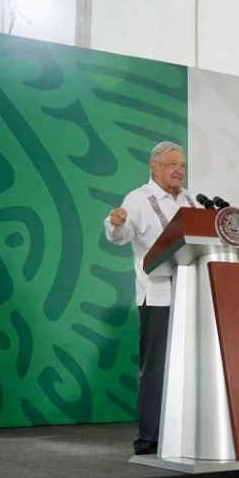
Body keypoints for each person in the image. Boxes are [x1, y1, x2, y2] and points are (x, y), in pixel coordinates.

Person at [104, 141, 193, 455]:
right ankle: (150, 437)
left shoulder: (190, 200)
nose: (178, 170)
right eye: (172, 164)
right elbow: (121, 232)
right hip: (158, 296)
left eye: (181, 164)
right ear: (154, 166)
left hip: (191, 296)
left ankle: (186, 432)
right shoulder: (138, 198)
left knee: (189, 367)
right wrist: (115, 223)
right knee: (155, 369)